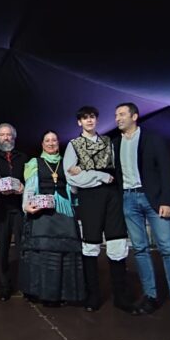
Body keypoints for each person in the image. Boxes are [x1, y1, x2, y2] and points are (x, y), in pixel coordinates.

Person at [113, 102, 170, 327]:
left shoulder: (152, 139)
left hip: (154, 199)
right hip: (129, 199)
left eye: (121, 114)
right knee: (139, 250)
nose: (117, 118)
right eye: (116, 115)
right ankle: (150, 296)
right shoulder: (115, 143)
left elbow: (167, 171)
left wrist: (168, 201)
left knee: (168, 249)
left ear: (134, 116)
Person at [63, 106, 136, 313]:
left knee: (117, 242)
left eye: (92, 117)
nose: (89, 121)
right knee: (91, 245)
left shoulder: (108, 142)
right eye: (85, 118)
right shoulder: (73, 145)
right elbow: (72, 177)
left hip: (112, 196)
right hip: (90, 198)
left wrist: (87, 171)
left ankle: (121, 296)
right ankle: (93, 295)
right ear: (79, 122)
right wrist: (98, 175)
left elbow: (116, 168)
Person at [19, 131, 85, 307]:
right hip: (43, 215)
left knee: (66, 253)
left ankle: (66, 293)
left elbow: (74, 189)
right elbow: (30, 188)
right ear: (42, 144)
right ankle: (44, 294)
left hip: (64, 213)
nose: (51, 143)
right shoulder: (35, 163)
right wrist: (26, 205)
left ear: (58, 143)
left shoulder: (67, 163)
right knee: (44, 254)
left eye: (54, 140)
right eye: (47, 140)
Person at [0, 123, 28, 301]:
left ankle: (25, 284)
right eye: (2, 135)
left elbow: (31, 181)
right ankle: (5, 286)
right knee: (3, 249)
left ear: (14, 137)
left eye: (8, 135)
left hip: (20, 208)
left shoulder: (24, 158)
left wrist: (24, 187)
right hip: (2, 209)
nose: (5, 138)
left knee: (23, 248)